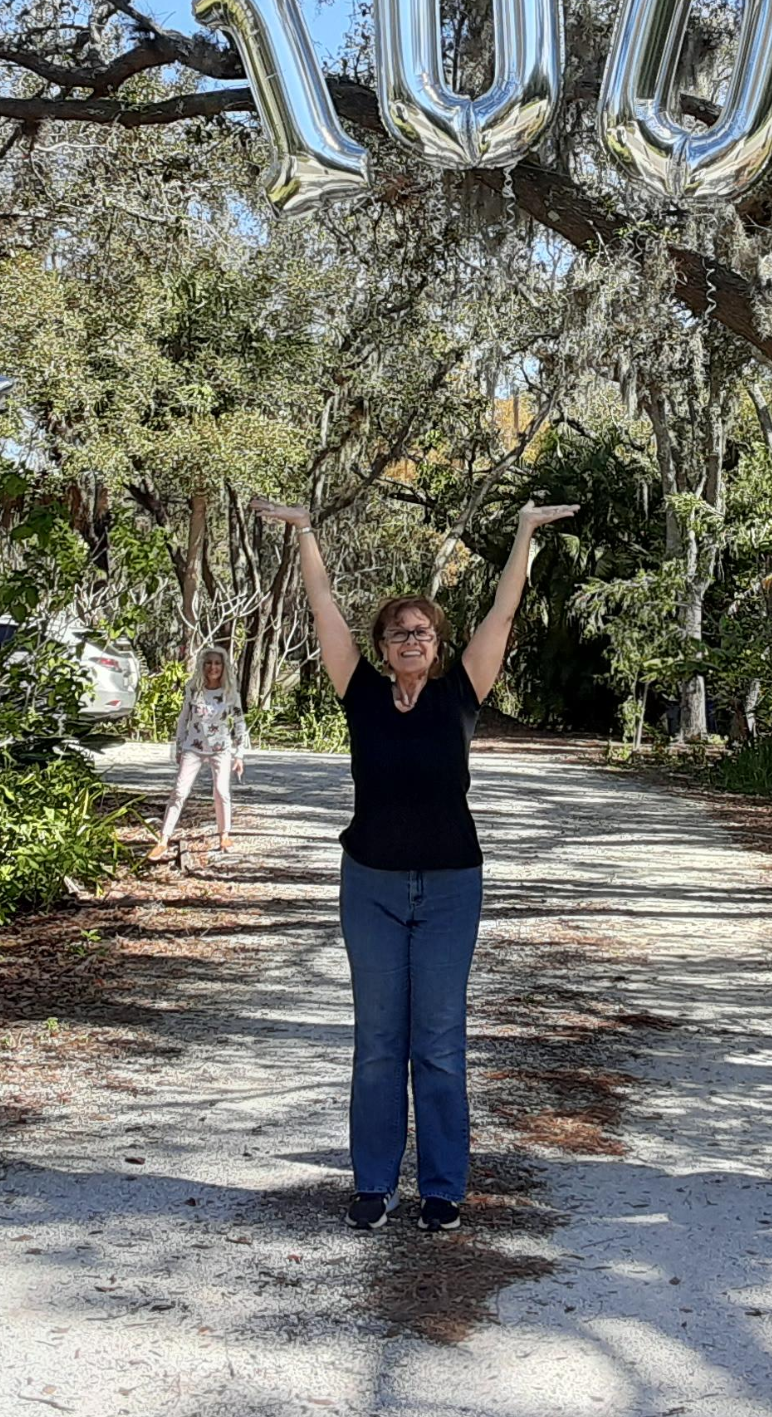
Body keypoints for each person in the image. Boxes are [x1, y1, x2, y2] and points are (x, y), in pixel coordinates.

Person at [251, 496, 576, 1234]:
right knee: (377, 1044)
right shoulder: (359, 694)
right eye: (399, 632)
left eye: (423, 632)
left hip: (452, 886)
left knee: (437, 1041)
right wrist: (306, 532)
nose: (411, 640)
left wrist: (522, 533)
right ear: (381, 643)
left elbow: (503, 610)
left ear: (438, 643)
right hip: (369, 883)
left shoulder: (462, 694)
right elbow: (322, 603)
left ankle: (441, 1187)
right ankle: (373, 1184)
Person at [147, 646, 249, 861]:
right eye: (209, 663)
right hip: (193, 747)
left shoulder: (230, 694)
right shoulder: (194, 690)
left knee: (221, 792)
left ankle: (224, 835)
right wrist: (179, 745)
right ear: (203, 666)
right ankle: (163, 839)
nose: (213, 667)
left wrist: (239, 754)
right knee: (179, 791)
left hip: (221, 749)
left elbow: (239, 723)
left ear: (223, 667)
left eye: (218, 663)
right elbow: (184, 718)